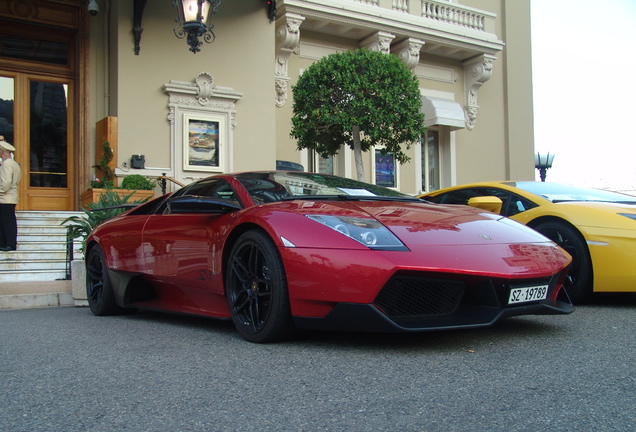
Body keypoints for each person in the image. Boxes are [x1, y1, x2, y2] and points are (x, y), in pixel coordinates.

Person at [0, 137, 21, 251]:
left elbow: (6, 183)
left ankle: (10, 244)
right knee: (6, 221)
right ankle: (5, 243)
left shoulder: (6, 164)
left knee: (7, 222)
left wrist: (0, 191)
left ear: (2, 151)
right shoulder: (14, 164)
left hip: (5, 198)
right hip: (10, 197)